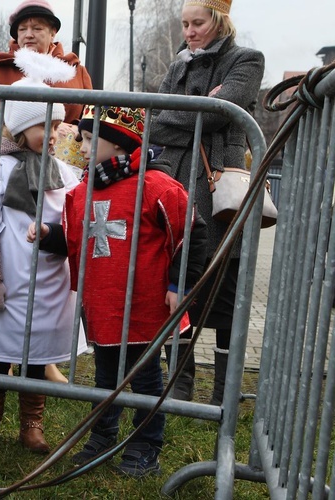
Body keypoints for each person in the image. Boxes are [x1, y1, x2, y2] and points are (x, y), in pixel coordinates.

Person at [29, 105, 207, 476]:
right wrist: (49, 235)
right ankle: (103, 436)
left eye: (93, 139)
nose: (83, 145)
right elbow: (79, 238)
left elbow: (192, 231)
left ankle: (145, 445)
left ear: (121, 144)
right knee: (105, 378)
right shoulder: (83, 191)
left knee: (144, 379)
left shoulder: (156, 186)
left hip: (143, 305)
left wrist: (179, 284)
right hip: (103, 305)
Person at [0, 50, 86, 454]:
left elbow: (73, 213)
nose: (52, 135)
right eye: (43, 126)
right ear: (20, 126)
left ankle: (32, 421)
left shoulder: (62, 172)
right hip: (8, 276)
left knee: (37, 351)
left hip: (48, 274)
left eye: (56, 126)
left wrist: (59, 238)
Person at [150, 0, 264, 404]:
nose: (190, 31)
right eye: (184, 23)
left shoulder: (247, 60)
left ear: (219, 20)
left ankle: (222, 391)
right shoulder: (180, 63)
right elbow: (156, 118)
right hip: (175, 180)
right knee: (173, 278)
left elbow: (220, 114)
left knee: (224, 288)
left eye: (198, 23)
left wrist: (190, 113)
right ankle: (178, 382)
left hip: (218, 188)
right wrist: (201, 110)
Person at [0, 0, 93, 141]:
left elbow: (91, 117)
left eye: (37, 28)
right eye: (22, 29)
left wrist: (78, 129)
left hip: (67, 157)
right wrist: (50, 126)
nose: (28, 34)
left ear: (53, 33)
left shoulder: (76, 70)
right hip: (16, 154)